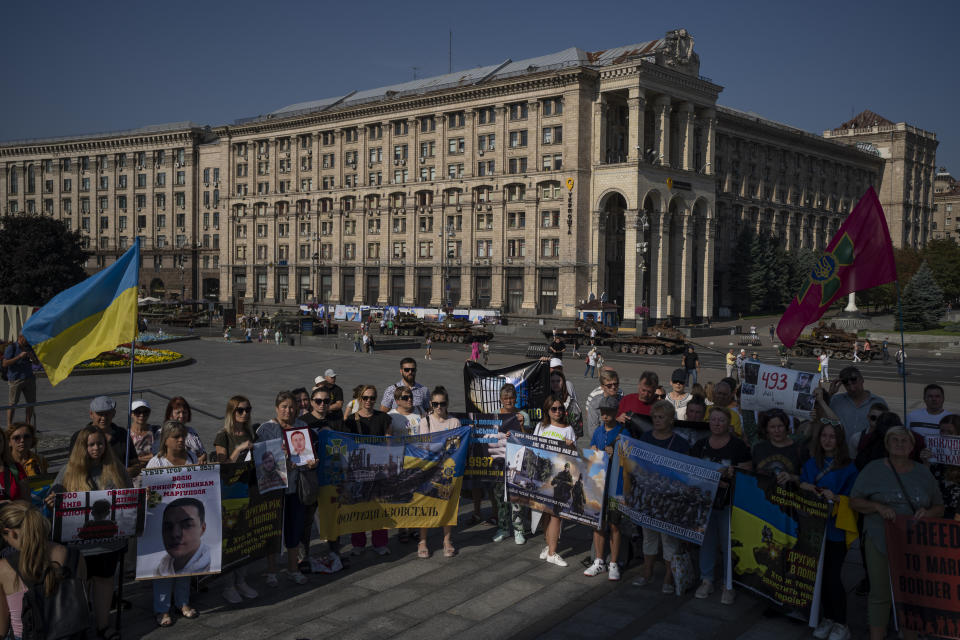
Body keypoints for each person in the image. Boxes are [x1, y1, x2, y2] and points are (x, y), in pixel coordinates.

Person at [851, 426, 943, 640]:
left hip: (913, 544)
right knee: (880, 592)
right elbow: (855, 501)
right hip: (879, 538)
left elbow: (939, 507)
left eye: (904, 441)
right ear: (887, 444)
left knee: (911, 594)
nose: (900, 444)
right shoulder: (873, 469)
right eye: (895, 440)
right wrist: (878, 508)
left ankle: (910, 635)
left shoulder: (923, 473)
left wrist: (927, 513)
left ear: (912, 447)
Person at [47, 425, 131, 636]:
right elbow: (55, 490)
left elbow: (129, 494)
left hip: (109, 542)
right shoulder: (68, 470)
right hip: (79, 545)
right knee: (80, 586)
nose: (96, 448)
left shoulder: (116, 467)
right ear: (81, 447)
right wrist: (54, 498)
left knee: (104, 581)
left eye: (100, 444)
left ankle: (103, 626)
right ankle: (80, 627)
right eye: (91, 444)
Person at [799, 417, 858, 640]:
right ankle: (828, 618)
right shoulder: (811, 462)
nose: (827, 440)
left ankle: (842, 623)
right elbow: (802, 487)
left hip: (835, 530)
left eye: (832, 436)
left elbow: (854, 499)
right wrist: (804, 486)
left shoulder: (849, 467)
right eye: (824, 435)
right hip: (814, 527)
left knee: (833, 577)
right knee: (820, 577)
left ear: (839, 440)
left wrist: (838, 498)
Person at [690, 406, 752, 605]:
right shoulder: (700, 445)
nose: (717, 423)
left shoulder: (738, 446)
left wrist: (733, 471)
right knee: (706, 542)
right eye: (713, 420)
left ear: (729, 424)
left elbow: (748, 470)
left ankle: (728, 584)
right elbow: (690, 469)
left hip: (728, 503)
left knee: (728, 544)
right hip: (705, 503)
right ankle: (706, 580)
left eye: (721, 420)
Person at [0, 502, 89, 640]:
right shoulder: (75, 556)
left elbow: (2, 625)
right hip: (72, 633)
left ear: (11, 532)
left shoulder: (3, 568)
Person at [256, 391, 316, 585]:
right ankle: (272, 570)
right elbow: (259, 460)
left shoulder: (301, 426)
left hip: (296, 486)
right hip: (274, 487)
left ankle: (292, 568)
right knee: (273, 528)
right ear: (276, 408)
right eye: (284, 407)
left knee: (294, 527)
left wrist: (311, 463)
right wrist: (279, 459)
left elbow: (307, 453)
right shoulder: (266, 429)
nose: (288, 411)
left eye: (291, 407)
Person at [632, 401, 690, 593]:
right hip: (648, 497)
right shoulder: (646, 437)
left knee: (668, 539)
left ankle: (668, 577)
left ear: (670, 420)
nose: (657, 420)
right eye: (654, 417)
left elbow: (685, 473)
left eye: (661, 417)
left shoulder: (681, 444)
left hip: (669, 499)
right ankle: (647, 573)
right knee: (648, 537)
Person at [212, 396, 259, 604]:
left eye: (248, 409)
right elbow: (223, 466)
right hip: (229, 493)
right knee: (229, 541)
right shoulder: (223, 436)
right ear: (232, 412)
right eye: (240, 410)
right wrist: (239, 449)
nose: (245, 413)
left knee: (244, 538)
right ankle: (228, 585)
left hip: (246, 489)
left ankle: (241, 580)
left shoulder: (250, 432)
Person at [343, 386, 392, 556]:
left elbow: (388, 443)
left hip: (378, 468)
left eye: (372, 398)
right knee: (359, 507)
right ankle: (358, 543)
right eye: (365, 398)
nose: (369, 401)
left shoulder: (383, 418)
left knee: (379, 508)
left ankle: (380, 543)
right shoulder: (350, 420)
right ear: (359, 399)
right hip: (358, 468)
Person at [583, 396, 625, 580]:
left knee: (615, 525)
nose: (605, 414)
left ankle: (614, 563)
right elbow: (593, 458)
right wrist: (592, 451)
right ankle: (599, 561)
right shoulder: (598, 432)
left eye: (609, 411)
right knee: (597, 524)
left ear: (616, 412)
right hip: (598, 484)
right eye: (603, 411)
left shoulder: (623, 433)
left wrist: (616, 453)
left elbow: (629, 461)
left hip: (615, 487)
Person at [417, 387, 461, 558]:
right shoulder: (425, 422)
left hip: (447, 468)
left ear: (447, 403)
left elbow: (456, 447)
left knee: (447, 503)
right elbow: (423, 447)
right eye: (435, 404)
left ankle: (447, 540)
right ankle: (422, 541)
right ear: (431, 404)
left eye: (442, 403)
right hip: (429, 469)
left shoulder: (454, 422)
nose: (439, 407)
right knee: (425, 504)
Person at [534, 395, 577, 568]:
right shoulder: (541, 426)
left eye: (560, 409)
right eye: (554, 409)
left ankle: (552, 552)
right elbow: (534, 445)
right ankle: (549, 544)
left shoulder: (568, 429)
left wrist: (571, 446)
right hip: (544, 474)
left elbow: (574, 456)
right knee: (546, 512)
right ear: (547, 411)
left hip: (559, 476)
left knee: (556, 513)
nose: (558, 412)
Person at [492, 384, 529, 545]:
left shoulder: (523, 415)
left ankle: (519, 530)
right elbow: (488, 437)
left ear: (516, 399)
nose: (509, 401)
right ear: (501, 400)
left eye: (511, 398)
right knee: (500, 497)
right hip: (499, 461)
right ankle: (503, 528)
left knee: (516, 497)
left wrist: (520, 425)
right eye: (505, 398)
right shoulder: (494, 415)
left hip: (517, 461)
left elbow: (529, 439)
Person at [71, 396, 136, 475]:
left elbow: (135, 463)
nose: (104, 418)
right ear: (91, 414)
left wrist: (127, 472)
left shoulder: (123, 434)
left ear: (113, 413)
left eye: (107, 413)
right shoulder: (78, 436)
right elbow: (72, 465)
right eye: (99, 414)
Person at [829, 366, 887, 449]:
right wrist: (830, 394)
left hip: (869, 453)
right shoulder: (836, 400)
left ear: (862, 379)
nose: (852, 388)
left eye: (854, 382)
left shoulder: (878, 402)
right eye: (847, 385)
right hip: (841, 454)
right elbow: (820, 416)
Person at [751, 409, 805, 485]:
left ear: (786, 427)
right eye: (772, 427)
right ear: (767, 429)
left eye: (780, 426)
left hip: (789, 495)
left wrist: (793, 478)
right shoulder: (758, 448)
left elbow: (809, 480)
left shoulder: (800, 450)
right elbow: (752, 477)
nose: (777, 430)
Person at [925, 415, 960, 518]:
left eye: (950, 432)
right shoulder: (934, 455)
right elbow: (926, 483)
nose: (944, 435)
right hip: (936, 511)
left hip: (956, 513)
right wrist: (925, 462)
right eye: (942, 431)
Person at [3, 335, 36, 429]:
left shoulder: (29, 347)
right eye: (26, 338)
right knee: (13, 403)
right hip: (16, 379)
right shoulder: (11, 347)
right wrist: (19, 357)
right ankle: (9, 426)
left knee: (31, 403)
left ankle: (28, 424)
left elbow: (37, 363)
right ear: (21, 338)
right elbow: (5, 363)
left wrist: (32, 357)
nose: (28, 340)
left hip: (29, 378)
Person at [163, 397, 207, 464]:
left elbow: (202, 452)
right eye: (178, 412)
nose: (182, 415)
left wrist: (202, 457)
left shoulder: (192, 431)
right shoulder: (163, 432)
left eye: (184, 412)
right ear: (170, 415)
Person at [550, 370, 583, 438]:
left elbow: (577, 431)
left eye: (558, 381)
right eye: (552, 381)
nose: (556, 384)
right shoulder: (544, 400)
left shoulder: (571, 403)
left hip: (566, 442)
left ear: (564, 383)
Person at [128, 399, 157, 474]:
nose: (142, 415)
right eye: (138, 412)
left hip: (154, 475)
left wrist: (137, 459)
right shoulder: (125, 434)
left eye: (145, 412)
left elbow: (159, 454)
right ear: (131, 414)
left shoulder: (156, 431)